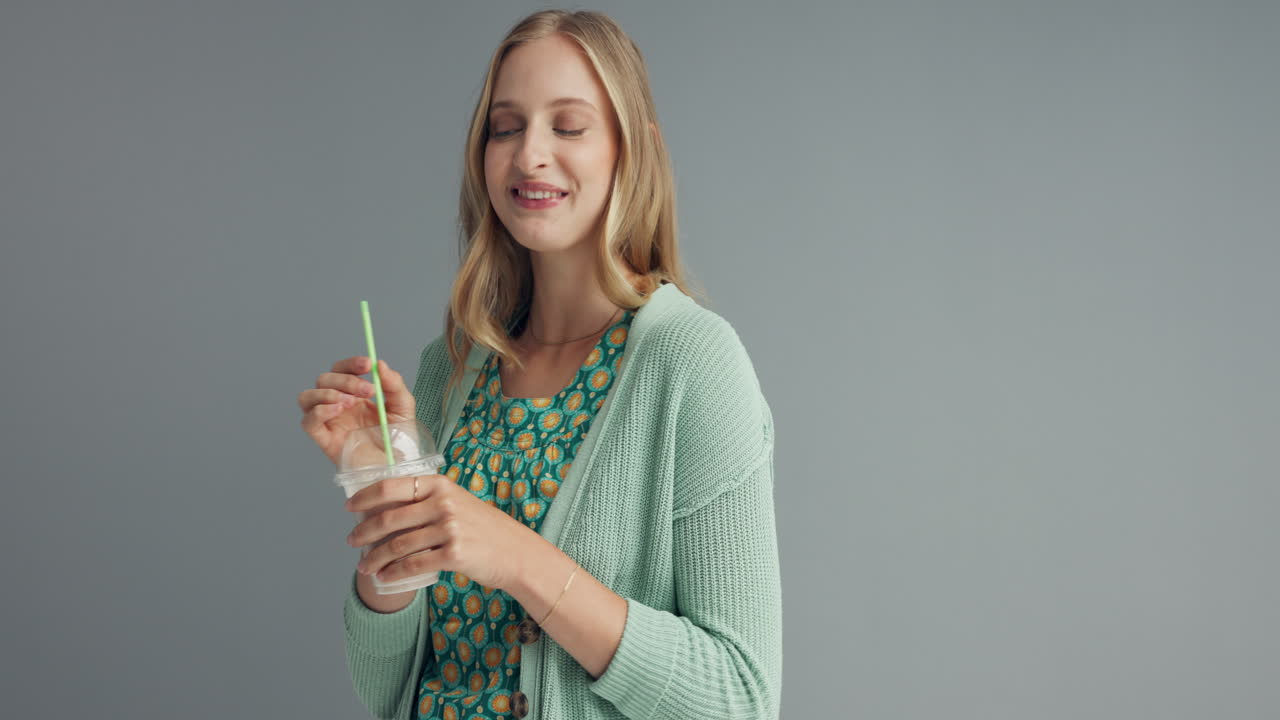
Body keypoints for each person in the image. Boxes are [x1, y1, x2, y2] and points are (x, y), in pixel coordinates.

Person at [298, 9, 780, 720]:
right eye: (506, 126)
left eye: (569, 125)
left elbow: (739, 699)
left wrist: (518, 558)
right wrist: (390, 483)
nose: (529, 155)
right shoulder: (449, 369)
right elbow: (388, 691)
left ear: (631, 149)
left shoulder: (691, 363)